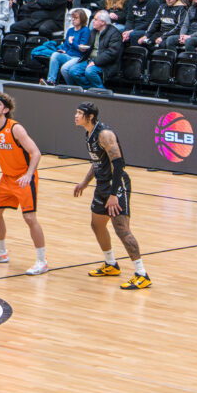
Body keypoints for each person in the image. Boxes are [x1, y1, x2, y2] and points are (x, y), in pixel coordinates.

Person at [72, 102, 150, 290]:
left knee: (121, 229)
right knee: (96, 224)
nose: (75, 116)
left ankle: (142, 274)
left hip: (117, 184)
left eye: (79, 113)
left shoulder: (104, 135)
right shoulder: (89, 133)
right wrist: (85, 182)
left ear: (90, 117)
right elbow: (97, 161)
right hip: (102, 184)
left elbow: (119, 164)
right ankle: (111, 264)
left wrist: (114, 194)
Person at [0, 91, 47, 273]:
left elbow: (36, 152)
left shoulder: (16, 128)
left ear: (6, 110)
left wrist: (29, 175)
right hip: (7, 177)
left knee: (30, 218)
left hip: (24, 177)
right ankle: (1, 252)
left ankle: (42, 261)